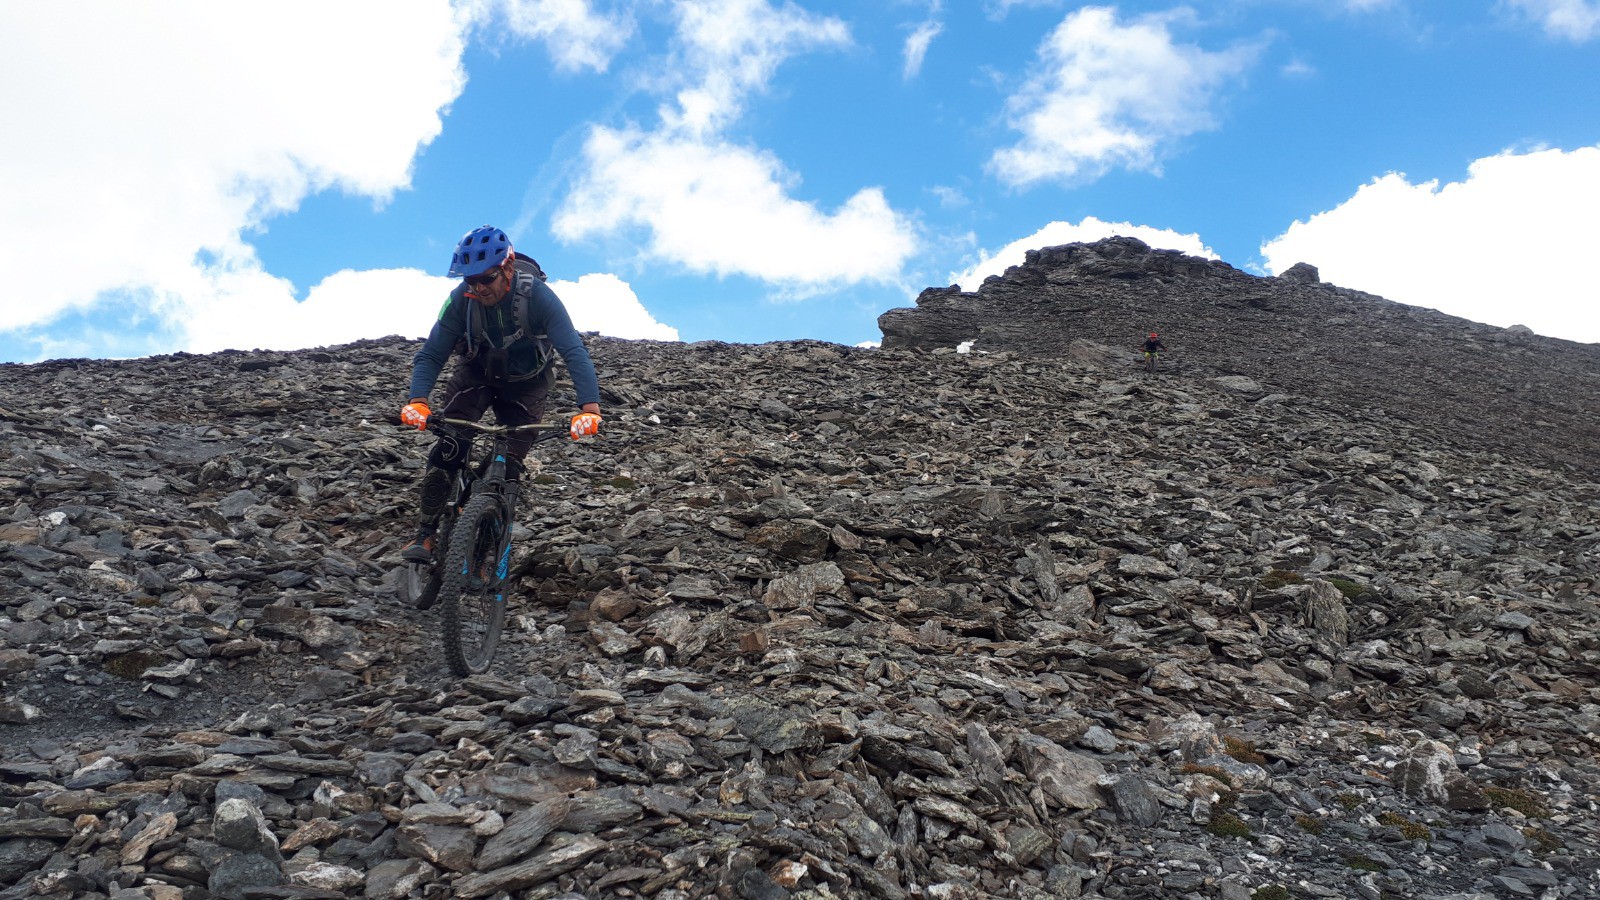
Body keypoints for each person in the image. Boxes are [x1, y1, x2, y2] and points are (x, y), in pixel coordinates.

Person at [397, 225, 602, 561]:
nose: (478, 287)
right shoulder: (460, 301)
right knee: (450, 445)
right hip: (476, 374)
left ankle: (481, 551)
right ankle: (425, 534)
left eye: (487, 278)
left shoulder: (538, 297)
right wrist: (418, 400)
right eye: (470, 280)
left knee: (507, 469)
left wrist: (589, 408)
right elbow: (431, 354)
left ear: (507, 268)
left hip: (529, 383)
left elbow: (573, 351)